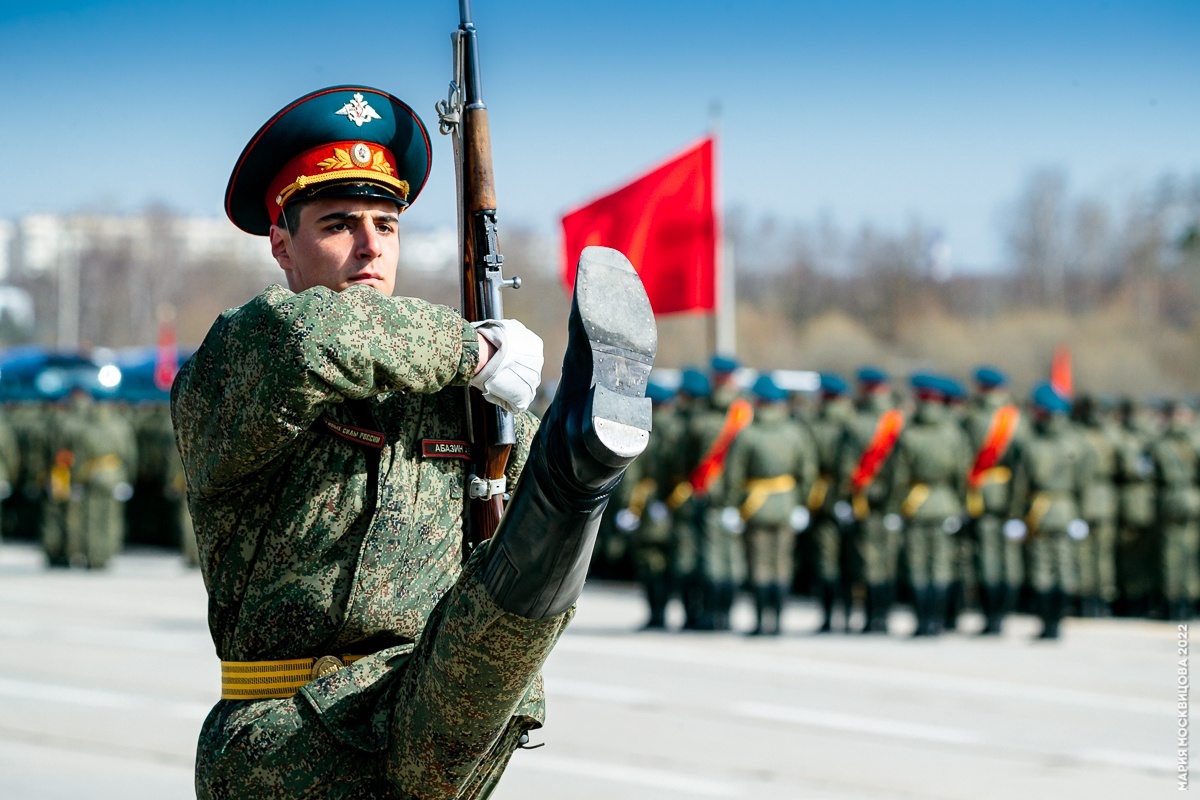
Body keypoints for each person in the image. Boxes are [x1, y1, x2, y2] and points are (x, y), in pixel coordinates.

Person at [171, 85, 657, 799]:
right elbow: (314, 339)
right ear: (281, 242)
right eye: (339, 224)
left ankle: (576, 474)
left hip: (430, 722)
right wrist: (476, 349)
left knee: (524, 565)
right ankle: (572, 477)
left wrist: (509, 425)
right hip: (287, 744)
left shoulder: (452, 399)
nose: (371, 245)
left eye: (387, 224)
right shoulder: (239, 365)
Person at [715, 374, 817, 635]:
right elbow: (807, 472)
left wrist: (731, 505)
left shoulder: (748, 435)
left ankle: (762, 622)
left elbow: (734, 475)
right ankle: (778, 622)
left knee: (759, 565)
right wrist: (801, 503)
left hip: (755, 508)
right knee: (781, 564)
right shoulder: (796, 433)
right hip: (786, 506)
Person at [1007, 383, 1091, 640]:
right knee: (1064, 568)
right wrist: (1082, 515)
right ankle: (1057, 624)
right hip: (1066, 510)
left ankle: (1047, 624)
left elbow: (1020, 486)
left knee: (1042, 569)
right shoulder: (1078, 442)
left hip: (1040, 511)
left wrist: (1015, 516)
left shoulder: (1031, 444)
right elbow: (1085, 484)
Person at [889, 375, 971, 637]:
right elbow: (961, 475)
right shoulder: (954, 435)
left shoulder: (910, 435)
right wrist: (959, 504)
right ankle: (938, 621)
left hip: (916, 503)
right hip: (945, 503)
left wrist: (895, 507)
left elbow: (899, 477)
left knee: (918, 566)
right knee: (941, 565)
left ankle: (923, 622)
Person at [961, 366, 1024, 634]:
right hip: (1011, 492)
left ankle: (991, 618)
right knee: (1009, 558)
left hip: (983, 493)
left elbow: (964, 455)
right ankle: (1004, 614)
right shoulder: (1018, 419)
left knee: (987, 558)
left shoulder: (973, 418)